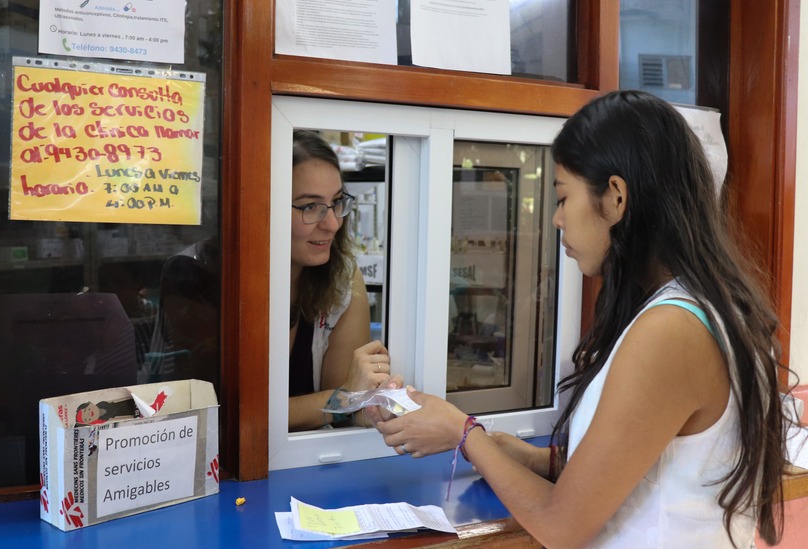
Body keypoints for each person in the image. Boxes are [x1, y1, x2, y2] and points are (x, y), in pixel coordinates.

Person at [373, 91, 790, 548]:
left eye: (563, 196)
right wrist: (532, 461)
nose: (556, 219)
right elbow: (662, 466)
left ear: (615, 197)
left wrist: (463, 432)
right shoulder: (709, 307)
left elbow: (562, 527)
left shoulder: (672, 330)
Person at [288, 129, 394, 431]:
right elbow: (229, 417)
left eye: (336, 202)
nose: (332, 223)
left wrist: (378, 407)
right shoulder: (202, 277)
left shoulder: (341, 278)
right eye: (310, 206)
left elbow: (348, 403)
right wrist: (345, 399)